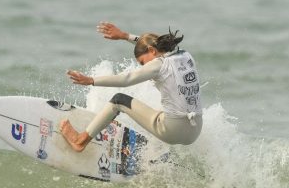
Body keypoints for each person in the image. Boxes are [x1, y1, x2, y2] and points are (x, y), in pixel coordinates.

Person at [60, 22, 202, 152]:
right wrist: (125, 36)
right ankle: (155, 153)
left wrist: (91, 80)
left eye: (142, 62)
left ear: (152, 50)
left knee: (118, 100)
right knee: (159, 109)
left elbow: (127, 79)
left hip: (172, 130)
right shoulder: (184, 55)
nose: (144, 66)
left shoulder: (159, 64)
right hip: (194, 130)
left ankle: (80, 141)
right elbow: (157, 43)